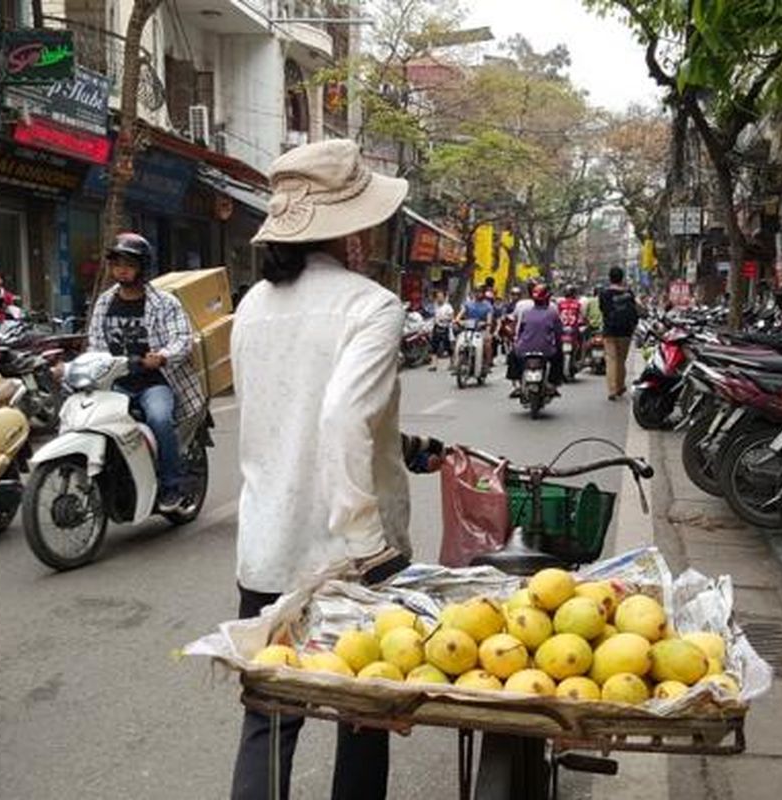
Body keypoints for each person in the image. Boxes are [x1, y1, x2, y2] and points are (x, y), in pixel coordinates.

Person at [228, 139, 444, 800]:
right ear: (350, 224)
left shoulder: (250, 308)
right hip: (348, 561)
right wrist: (367, 548)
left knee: (269, 721)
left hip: (267, 550)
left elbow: (291, 418)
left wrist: (404, 447)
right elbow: (340, 421)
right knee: (362, 716)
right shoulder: (371, 306)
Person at [87, 232, 203, 512]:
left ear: (143, 268)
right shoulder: (104, 302)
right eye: (117, 263)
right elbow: (95, 343)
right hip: (115, 383)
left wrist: (162, 357)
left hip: (154, 383)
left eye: (129, 263)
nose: (122, 269)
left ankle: (171, 487)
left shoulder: (165, 302)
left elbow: (182, 340)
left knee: (160, 419)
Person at [508, 284, 564, 396]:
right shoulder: (553, 313)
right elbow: (558, 333)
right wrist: (558, 346)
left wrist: (516, 342)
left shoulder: (526, 312)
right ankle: (553, 383)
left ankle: (517, 383)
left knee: (513, 355)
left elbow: (520, 332)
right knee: (558, 357)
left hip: (523, 349)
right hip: (546, 349)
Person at [598, 267, 639, 401]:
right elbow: (634, 312)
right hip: (625, 331)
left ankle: (612, 389)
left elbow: (603, 309)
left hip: (609, 330)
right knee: (621, 360)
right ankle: (620, 386)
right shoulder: (629, 293)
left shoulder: (604, 293)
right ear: (622, 278)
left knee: (611, 359)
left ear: (610, 278)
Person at [455, 285, 496, 372]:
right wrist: (457, 320)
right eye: (476, 292)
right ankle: (457, 363)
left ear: (483, 293)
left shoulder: (487, 306)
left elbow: (489, 319)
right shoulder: (468, 304)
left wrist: (488, 329)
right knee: (459, 342)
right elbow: (461, 314)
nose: (478, 294)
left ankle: (487, 364)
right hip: (468, 330)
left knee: (487, 342)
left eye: (480, 292)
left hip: (482, 330)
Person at [428, 289, 454, 371]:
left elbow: (452, 317)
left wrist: (445, 319)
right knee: (433, 347)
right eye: (438, 297)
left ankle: (452, 363)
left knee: (448, 347)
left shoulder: (448, 307)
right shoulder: (435, 306)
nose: (439, 298)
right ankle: (434, 365)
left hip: (446, 328)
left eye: (441, 296)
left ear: (444, 297)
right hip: (436, 327)